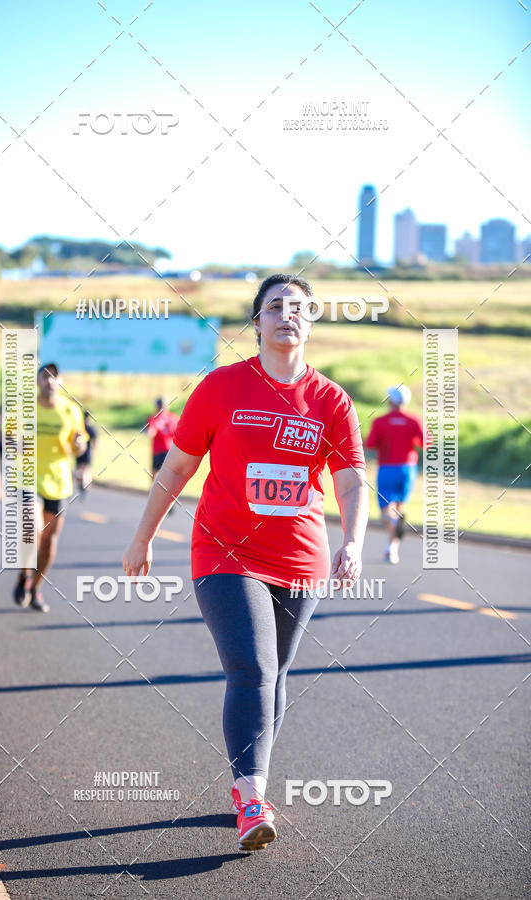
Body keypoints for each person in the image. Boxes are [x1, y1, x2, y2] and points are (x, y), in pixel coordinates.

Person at [122, 274, 368, 852]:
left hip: (301, 558)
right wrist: (141, 537)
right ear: (256, 322)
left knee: (276, 674)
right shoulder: (221, 388)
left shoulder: (331, 400)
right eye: (275, 306)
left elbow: (353, 482)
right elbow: (177, 470)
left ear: (311, 322)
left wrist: (353, 541)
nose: (287, 315)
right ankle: (252, 794)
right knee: (252, 668)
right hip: (225, 553)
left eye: (299, 308)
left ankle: (248, 780)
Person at [13, 363, 88, 612]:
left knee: (49, 540)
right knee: (31, 528)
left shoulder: (70, 410)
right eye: (45, 376)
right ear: (37, 381)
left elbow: (79, 447)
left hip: (58, 481)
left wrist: (79, 445)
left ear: (60, 381)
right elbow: (10, 438)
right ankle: (24, 574)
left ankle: (35, 587)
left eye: (55, 377)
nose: (50, 381)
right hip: (29, 477)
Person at [365, 385, 426, 564]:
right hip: (407, 470)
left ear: (390, 401)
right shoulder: (414, 420)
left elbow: (370, 444)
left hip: (387, 469)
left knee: (386, 513)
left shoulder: (380, 421)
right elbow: (426, 443)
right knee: (399, 510)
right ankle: (391, 550)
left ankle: (394, 528)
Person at [146, 398, 179, 478]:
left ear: (158, 406)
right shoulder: (174, 418)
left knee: (154, 474)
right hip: (170, 451)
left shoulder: (154, 418)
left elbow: (151, 433)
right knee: (169, 475)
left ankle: (153, 490)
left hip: (158, 451)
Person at [74, 410, 97, 498]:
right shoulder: (90, 428)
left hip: (79, 452)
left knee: (80, 469)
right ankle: (84, 486)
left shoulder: (80, 427)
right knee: (86, 470)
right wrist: (94, 450)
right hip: (86, 452)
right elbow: (96, 441)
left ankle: (81, 482)